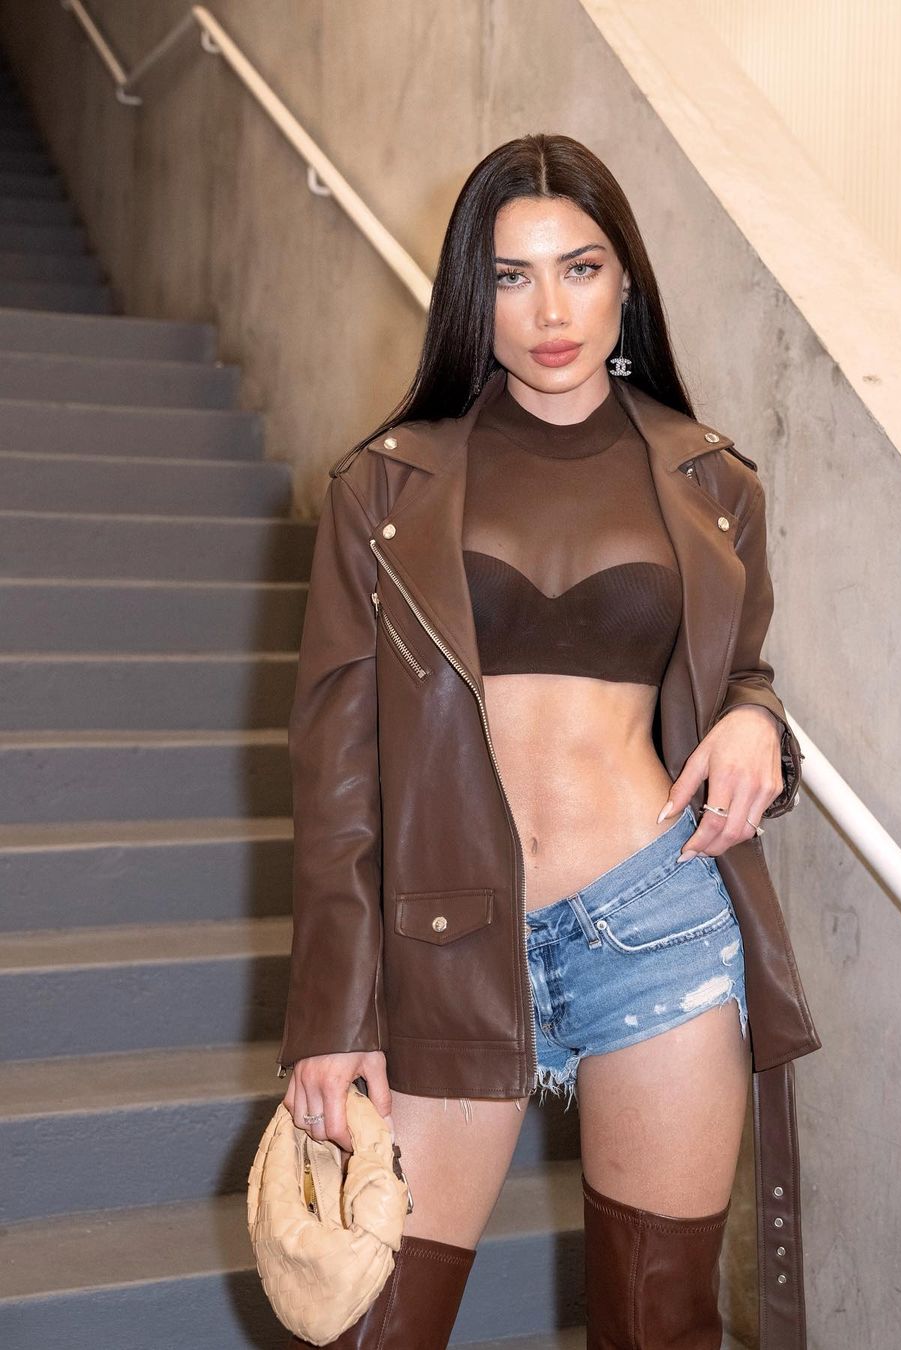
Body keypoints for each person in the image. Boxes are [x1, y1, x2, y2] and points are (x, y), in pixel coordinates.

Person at [278, 132, 819, 1349]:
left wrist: (757, 722)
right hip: (450, 938)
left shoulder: (714, 483)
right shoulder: (384, 489)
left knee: (658, 1324)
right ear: (474, 300)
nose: (551, 311)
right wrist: (331, 1011)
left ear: (626, 279)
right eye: (512, 278)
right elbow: (335, 775)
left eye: (579, 268)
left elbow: (741, 676)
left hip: (660, 924)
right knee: (374, 1324)